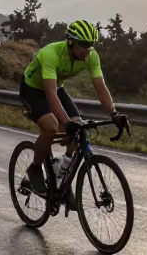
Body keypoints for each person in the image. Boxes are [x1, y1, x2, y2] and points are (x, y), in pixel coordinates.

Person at [19, 20, 128, 195]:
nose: (88, 49)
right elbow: (50, 94)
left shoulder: (91, 56)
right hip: (32, 89)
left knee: (79, 130)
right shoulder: (51, 54)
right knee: (51, 127)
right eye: (83, 44)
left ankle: (61, 178)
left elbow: (101, 89)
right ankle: (35, 169)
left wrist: (114, 113)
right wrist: (66, 122)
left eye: (91, 45)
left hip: (57, 89)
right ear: (71, 41)